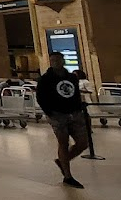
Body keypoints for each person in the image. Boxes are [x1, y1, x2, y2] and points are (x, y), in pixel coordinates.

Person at [37, 52, 89, 189]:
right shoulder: (45, 79)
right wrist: (50, 113)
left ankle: (62, 161)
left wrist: (78, 108)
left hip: (74, 113)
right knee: (63, 143)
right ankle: (67, 175)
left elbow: (75, 93)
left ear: (62, 60)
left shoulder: (72, 77)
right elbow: (40, 97)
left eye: (58, 60)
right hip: (57, 115)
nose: (55, 62)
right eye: (53, 60)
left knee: (83, 142)